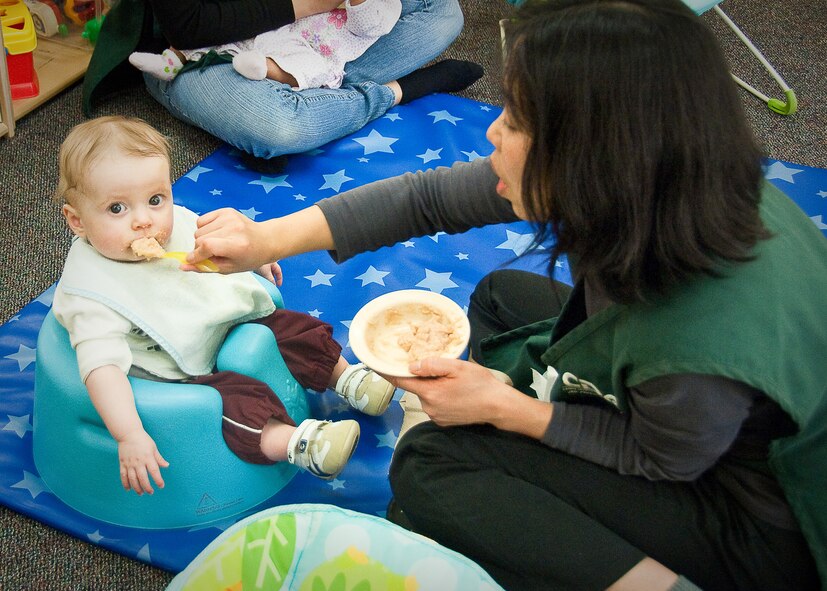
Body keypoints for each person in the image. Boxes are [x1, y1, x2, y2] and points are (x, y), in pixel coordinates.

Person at [180, 0, 827, 589]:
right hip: (688, 416)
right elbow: (425, 197)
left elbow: (659, 457)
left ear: (593, 154)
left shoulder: (696, 336)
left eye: (516, 118)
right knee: (498, 295)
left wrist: (511, 411)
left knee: (431, 464)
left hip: (749, 517)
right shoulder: (670, 182)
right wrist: (264, 240)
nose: (492, 130)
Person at [51, 115, 398, 496]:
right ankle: (298, 444)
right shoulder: (93, 294)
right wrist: (129, 434)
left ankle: (344, 377)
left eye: (155, 200)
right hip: (181, 367)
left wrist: (256, 256)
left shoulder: (175, 223)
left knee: (291, 328)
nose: (144, 222)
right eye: (117, 209)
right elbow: (101, 371)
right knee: (233, 403)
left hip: (217, 326)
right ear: (77, 221)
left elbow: (215, 241)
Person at [82, 0, 480, 169]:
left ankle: (315, 84)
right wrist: (309, 4)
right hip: (200, 48)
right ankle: (398, 90)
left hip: (312, 36)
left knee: (443, 12)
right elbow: (189, 26)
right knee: (280, 126)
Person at [128, 0, 402, 89]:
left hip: (317, 47)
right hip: (279, 28)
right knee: (233, 40)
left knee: (309, 68)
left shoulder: (387, 7)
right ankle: (172, 62)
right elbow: (189, 25)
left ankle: (267, 70)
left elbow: (367, 26)